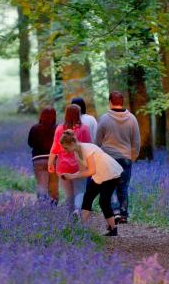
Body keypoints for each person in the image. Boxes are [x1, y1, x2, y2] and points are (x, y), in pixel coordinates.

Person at [59, 130, 123, 236]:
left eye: (66, 148)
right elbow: (83, 170)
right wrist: (70, 175)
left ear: (72, 144)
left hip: (111, 173)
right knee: (88, 197)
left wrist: (73, 176)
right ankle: (82, 227)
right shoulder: (76, 153)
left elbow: (91, 171)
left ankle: (113, 229)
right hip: (99, 175)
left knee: (104, 201)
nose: (66, 151)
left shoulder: (86, 149)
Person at [96, 90, 140, 223]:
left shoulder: (104, 119)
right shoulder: (132, 119)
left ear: (110, 102)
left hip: (108, 158)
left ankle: (115, 212)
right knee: (123, 187)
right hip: (125, 158)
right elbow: (136, 141)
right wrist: (133, 156)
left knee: (110, 186)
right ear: (122, 102)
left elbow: (97, 140)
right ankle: (124, 213)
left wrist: (98, 156)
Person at [48, 104, 91, 211]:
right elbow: (88, 147)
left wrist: (50, 163)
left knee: (68, 195)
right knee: (80, 191)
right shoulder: (84, 129)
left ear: (66, 115)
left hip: (63, 167)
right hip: (79, 166)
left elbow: (55, 147)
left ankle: (70, 220)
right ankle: (77, 211)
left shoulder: (59, 129)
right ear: (79, 115)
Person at [27, 107, 59, 203]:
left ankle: (42, 204)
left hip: (38, 159)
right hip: (54, 159)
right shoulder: (57, 128)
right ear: (54, 116)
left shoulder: (35, 128)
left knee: (41, 184)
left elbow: (30, 144)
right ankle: (53, 204)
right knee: (53, 183)